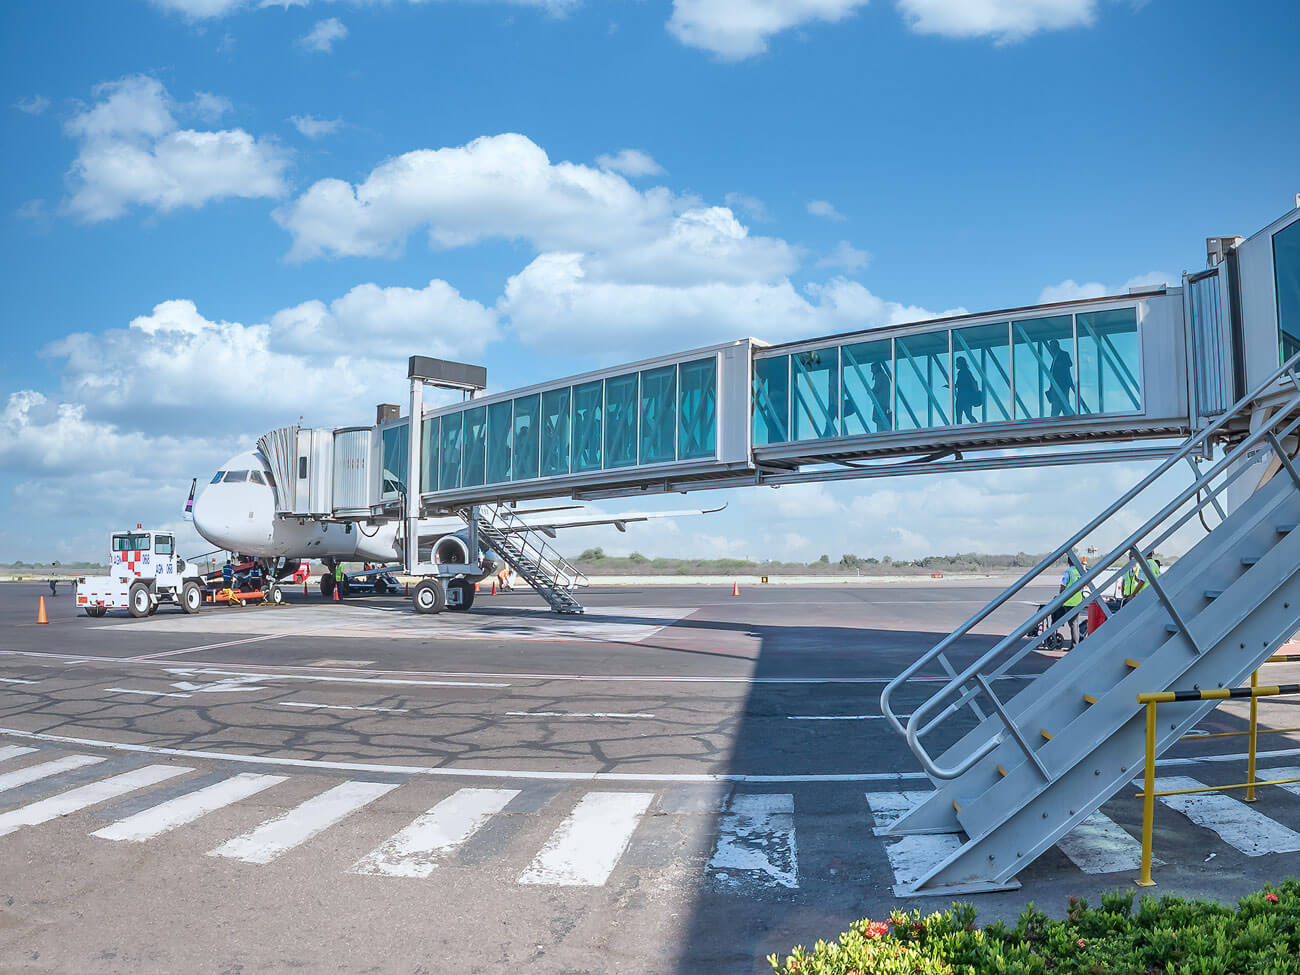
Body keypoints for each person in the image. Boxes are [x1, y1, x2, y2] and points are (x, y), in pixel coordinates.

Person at [1052, 562, 1083, 647]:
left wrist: (1060, 597)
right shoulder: (1079, 572)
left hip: (1069, 601)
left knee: (1073, 624)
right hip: (1078, 600)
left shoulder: (1068, 572)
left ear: (1069, 562)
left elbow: (1063, 586)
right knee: (1075, 623)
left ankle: (1075, 645)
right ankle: (1076, 642)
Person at [1047, 339, 1074, 417]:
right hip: (1056, 387)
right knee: (1060, 406)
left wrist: (1069, 383)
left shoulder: (1063, 354)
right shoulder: (1055, 357)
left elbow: (1068, 365)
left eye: (1052, 347)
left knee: (1061, 405)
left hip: (1062, 385)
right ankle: (1066, 419)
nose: (1051, 349)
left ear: (1056, 346)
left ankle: (1066, 420)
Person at [954, 356, 981, 424]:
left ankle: (959, 431)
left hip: (962, 397)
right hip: (967, 398)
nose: (956, 365)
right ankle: (977, 426)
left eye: (957, 363)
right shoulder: (967, 372)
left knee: (959, 416)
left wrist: (950, 386)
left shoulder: (961, 373)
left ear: (961, 363)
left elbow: (958, 384)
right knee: (969, 415)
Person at [870, 361, 892, 431]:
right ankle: (881, 430)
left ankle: (881, 430)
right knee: (880, 418)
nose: (871, 371)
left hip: (880, 402)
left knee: (877, 417)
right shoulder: (883, 376)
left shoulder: (880, 375)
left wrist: (870, 391)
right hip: (884, 402)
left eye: (872, 369)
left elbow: (877, 387)